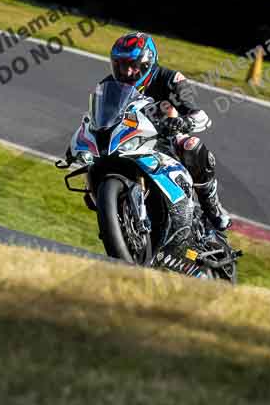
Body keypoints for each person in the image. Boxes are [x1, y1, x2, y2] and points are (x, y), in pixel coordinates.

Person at [66, 33, 231, 257]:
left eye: (133, 66)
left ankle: (212, 208)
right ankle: (121, 221)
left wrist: (184, 121)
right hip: (127, 142)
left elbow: (198, 114)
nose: (126, 72)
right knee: (91, 174)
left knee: (192, 145)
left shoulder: (170, 79)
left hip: (166, 140)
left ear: (148, 62)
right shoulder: (107, 86)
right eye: (120, 65)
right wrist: (78, 144)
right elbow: (94, 118)